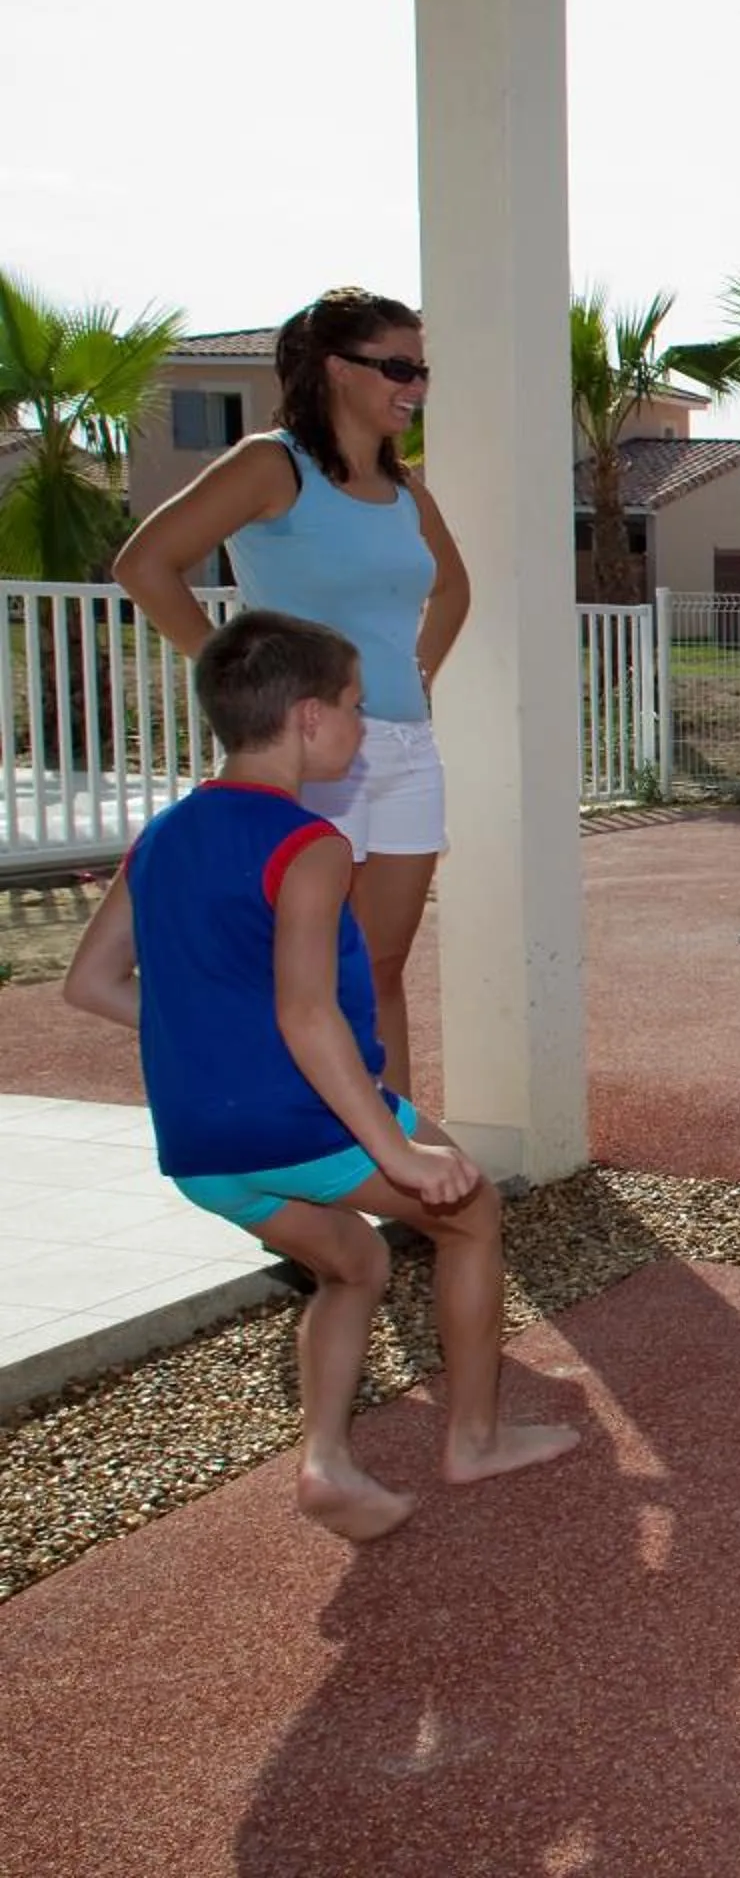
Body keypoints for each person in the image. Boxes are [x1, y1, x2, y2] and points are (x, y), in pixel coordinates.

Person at [62, 611, 577, 1541]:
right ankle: (474, 1436)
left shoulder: (162, 836)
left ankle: (327, 1463)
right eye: (352, 705)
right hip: (304, 1123)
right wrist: (398, 1150)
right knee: (469, 1218)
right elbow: (308, 1014)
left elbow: (90, 984)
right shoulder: (312, 845)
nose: (363, 727)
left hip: (199, 1146)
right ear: (306, 718)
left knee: (355, 1264)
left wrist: (216, 1038)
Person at [114, 288, 468, 1097]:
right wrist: (243, 678)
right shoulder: (270, 466)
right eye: (399, 367)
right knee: (312, 975)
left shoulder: (405, 488)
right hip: (305, 758)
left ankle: (396, 1164)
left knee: (379, 967)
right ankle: (305, 1166)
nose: (415, 386)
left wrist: (417, 674)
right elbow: (145, 564)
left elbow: (452, 589)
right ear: (337, 369)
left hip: (405, 748)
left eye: (423, 369)